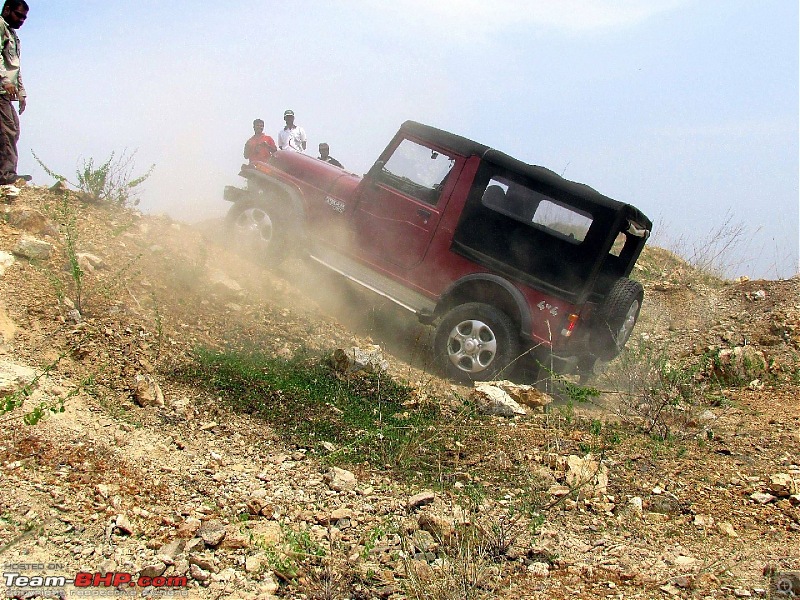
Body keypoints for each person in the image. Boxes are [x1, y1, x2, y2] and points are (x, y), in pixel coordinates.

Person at [0, 0, 27, 200]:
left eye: (24, 17)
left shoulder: (13, 35)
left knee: (12, 129)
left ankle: (7, 172)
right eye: (19, 15)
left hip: (7, 92)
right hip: (1, 90)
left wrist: (21, 93)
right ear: (7, 9)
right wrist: (3, 81)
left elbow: (15, 68)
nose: (22, 20)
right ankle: (6, 175)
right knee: (8, 129)